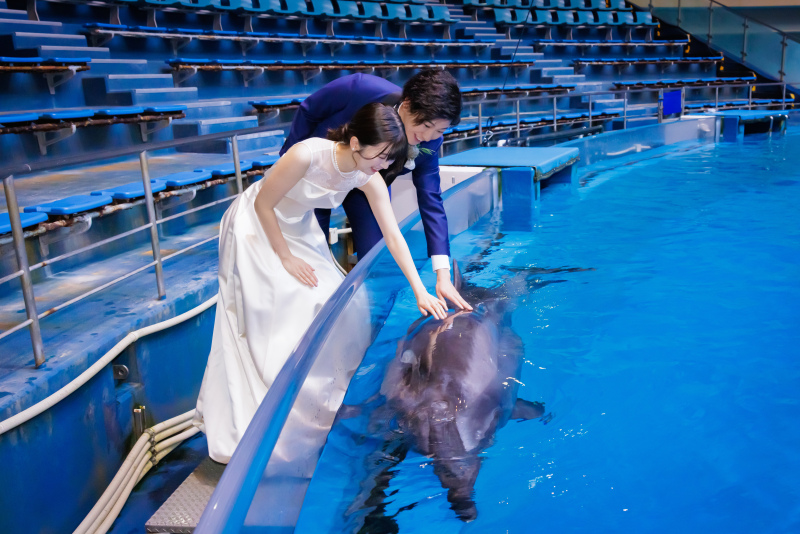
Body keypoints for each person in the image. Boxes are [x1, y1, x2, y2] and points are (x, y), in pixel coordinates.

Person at [194, 103, 448, 463]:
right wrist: (285, 258)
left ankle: (312, 405)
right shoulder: (305, 155)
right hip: (256, 225)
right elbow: (263, 205)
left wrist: (420, 288)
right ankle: (266, 411)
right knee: (277, 304)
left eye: (390, 159)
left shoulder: (368, 175)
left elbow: (393, 236)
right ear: (356, 141)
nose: (384, 166)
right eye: (380, 156)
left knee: (343, 304)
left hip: (298, 228)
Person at [281, 70, 473, 312]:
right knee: (311, 250)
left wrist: (442, 275)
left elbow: (431, 200)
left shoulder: (430, 141)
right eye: (425, 125)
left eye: (439, 131)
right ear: (407, 103)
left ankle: (369, 318)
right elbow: (309, 110)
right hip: (317, 174)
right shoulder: (360, 88)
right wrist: (289, 164)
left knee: (376, 258)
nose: (427, 137)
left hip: (370, 185)